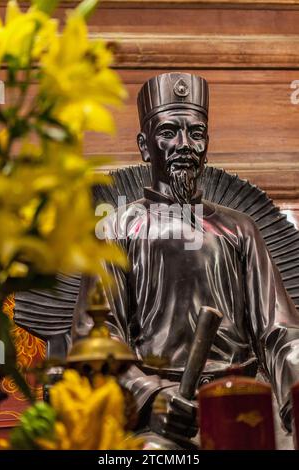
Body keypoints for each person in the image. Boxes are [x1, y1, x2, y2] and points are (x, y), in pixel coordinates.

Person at [99, 73, 299, 447]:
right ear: (145, 145)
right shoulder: (117, 230)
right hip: (162, 416)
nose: (184, 144)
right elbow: (100, 340)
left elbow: (280, 333)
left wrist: (296, 392)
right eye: (169, 132)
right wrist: (152, 396)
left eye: (196, 133)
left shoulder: (239, 229)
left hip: (245, 401)